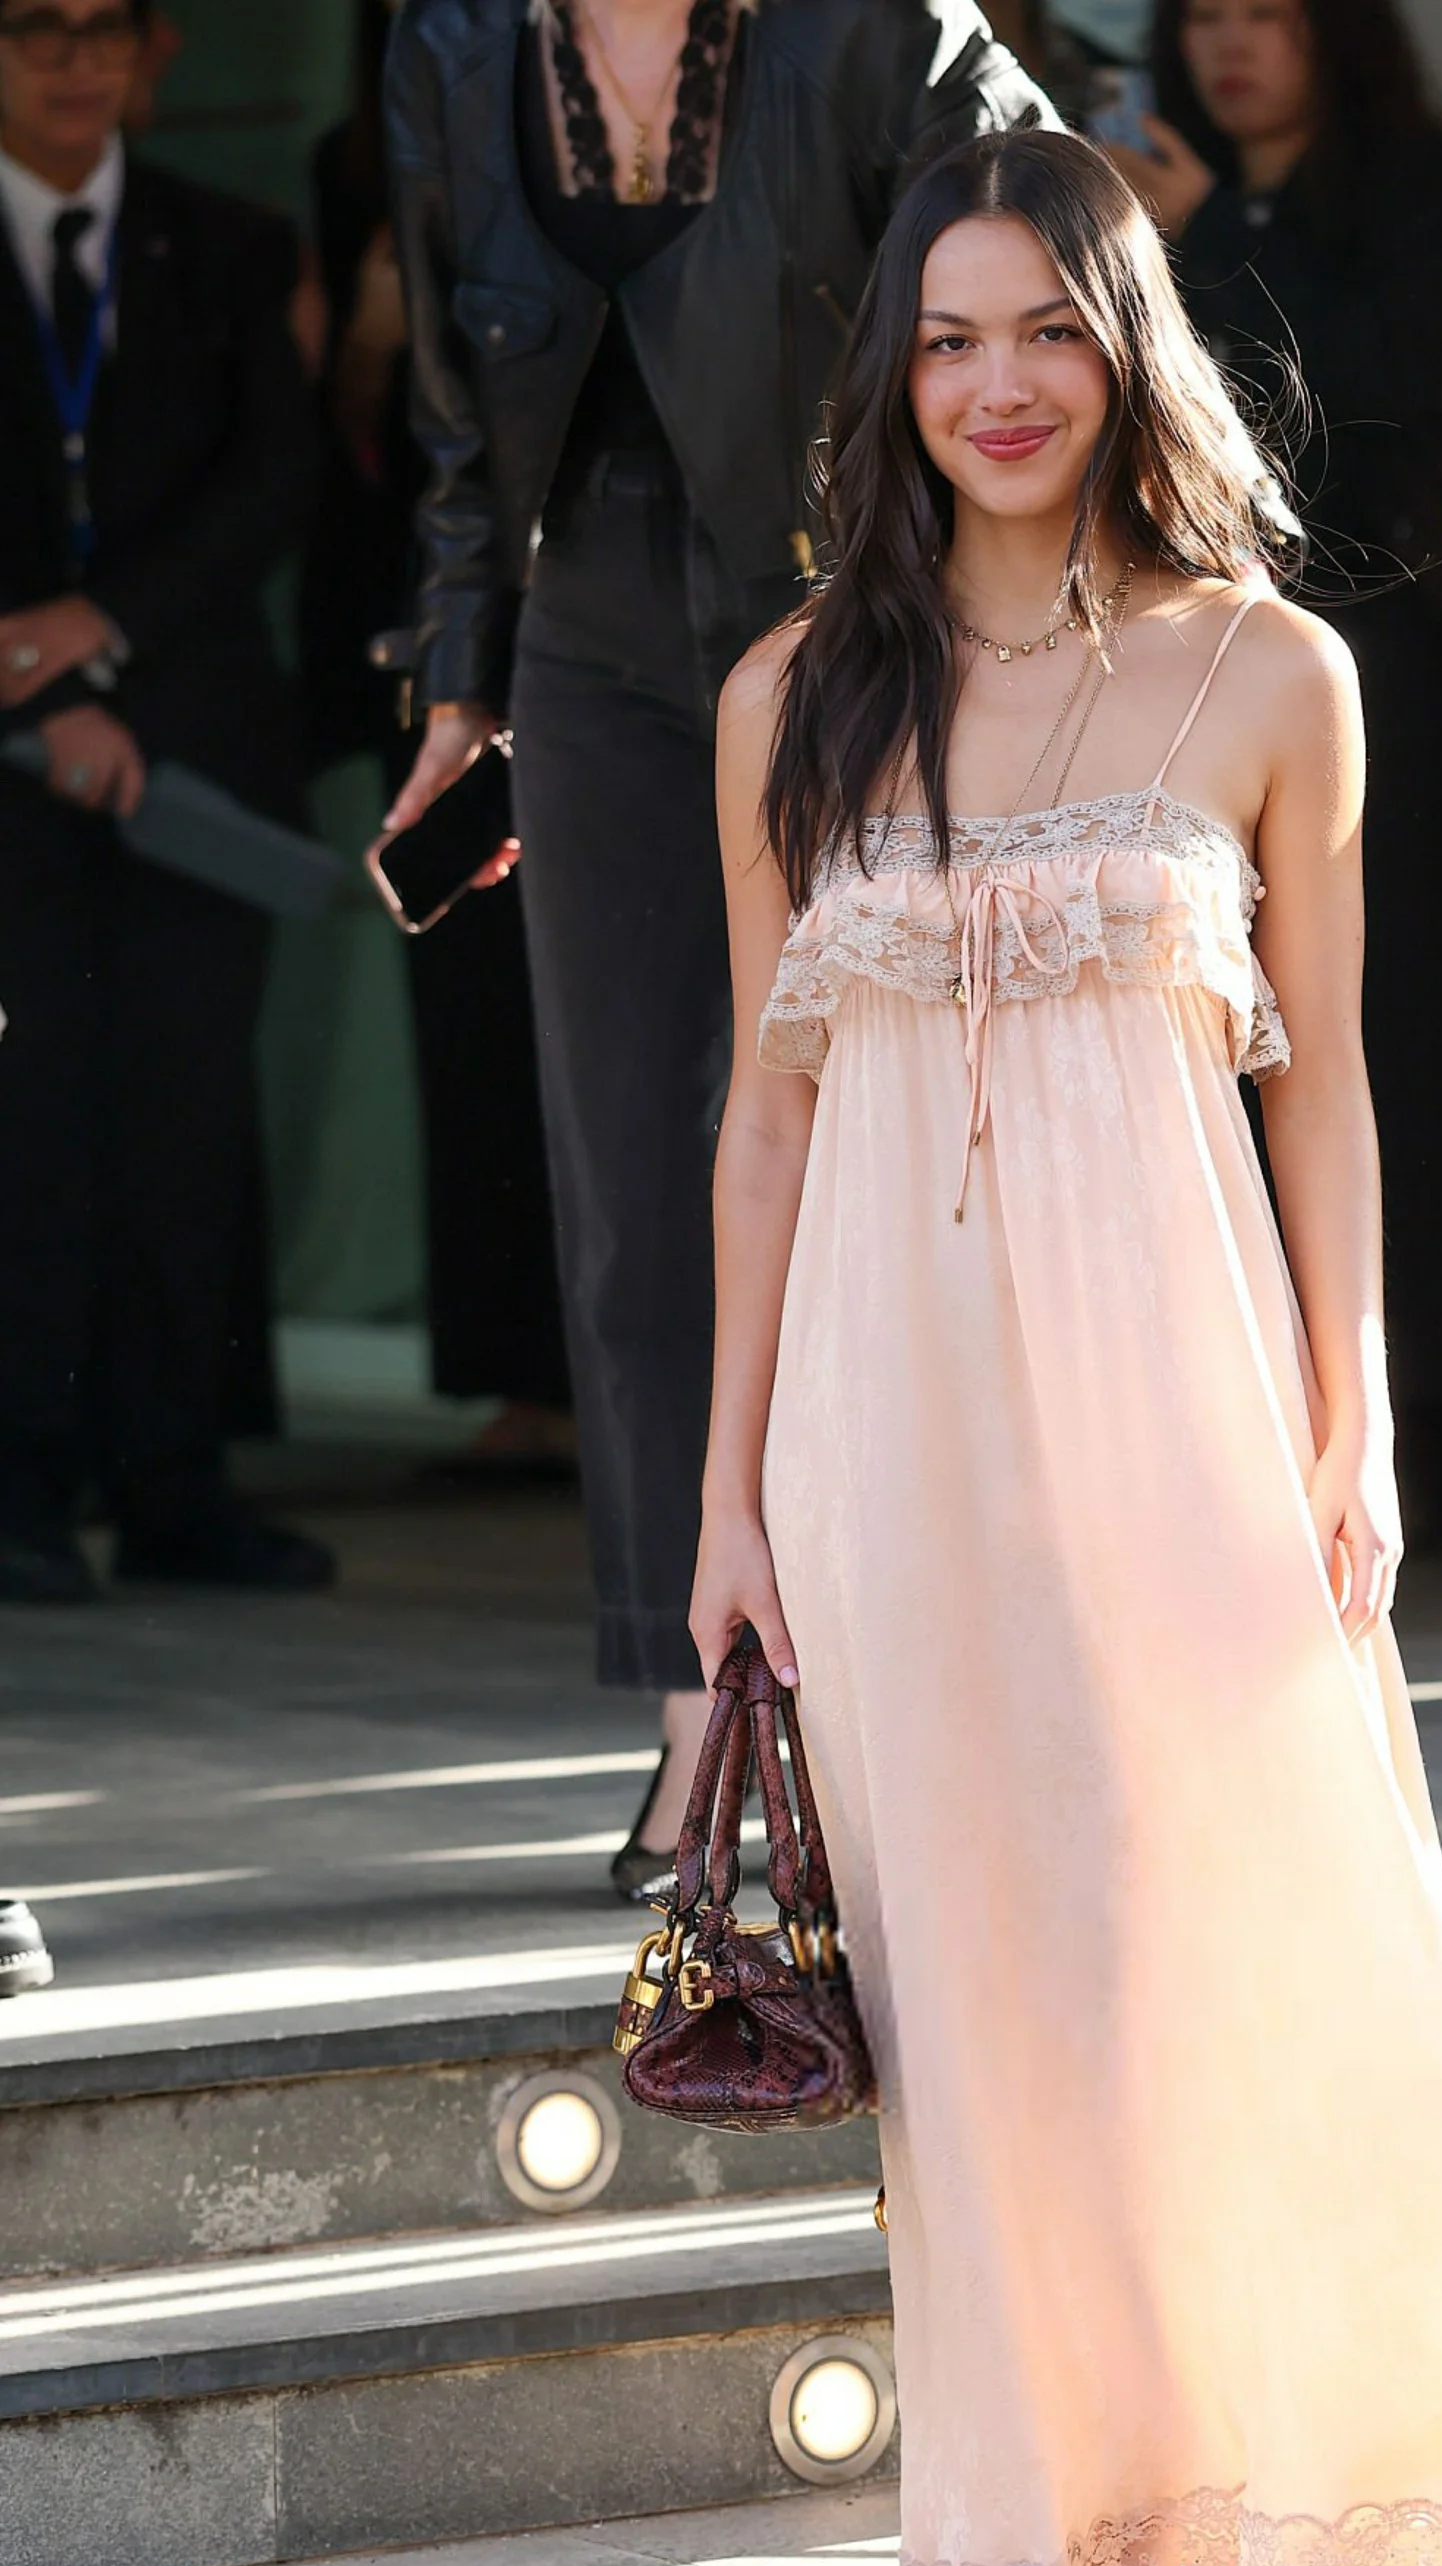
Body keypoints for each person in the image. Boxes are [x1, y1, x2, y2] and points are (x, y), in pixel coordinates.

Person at [698, 126, 1442, 2566]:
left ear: (1126, 344)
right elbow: (765, 1131)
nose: (995, 384)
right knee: (976, 2065)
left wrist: (1350, 1409)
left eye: (1043, 327)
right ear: (890, 383)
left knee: (1153, 2010)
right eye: (943, 341)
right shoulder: (794, 699)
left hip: (1175, 1414)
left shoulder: (1276, 675)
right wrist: (723, 1508)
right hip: (881, 1442)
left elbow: (1338, 1084)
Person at [381, 0, 1052, 1895]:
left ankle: (918, 1680)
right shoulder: (450, 52)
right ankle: (703, 1710)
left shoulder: (874, 30)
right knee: (627, 1181)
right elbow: (452, 403)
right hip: (580, 631)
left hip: (854, 612)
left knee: (892, 1143)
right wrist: (453, 679)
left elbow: (1050, 250)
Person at [1101, 0, 1442, 1550]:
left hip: (1368, 664)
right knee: (1212, 1023)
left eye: (1266, 13)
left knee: (1398, 1035)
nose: (1230, 46)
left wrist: (1218, 229)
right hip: (1183, 672)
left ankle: (1425, 1409)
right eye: (1203, 15)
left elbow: (1364, 390)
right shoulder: (1131, 193)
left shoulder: (1417, 178)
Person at [0, 0, 330, 1601]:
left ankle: (177, 1484)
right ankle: (20, 1491)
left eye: (101, 28)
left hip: (193, 744)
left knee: (188, 1126)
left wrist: (104, 631)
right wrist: (43, 685)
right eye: (30, 28)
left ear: (156, 54)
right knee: (30, 1115)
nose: (70, 59)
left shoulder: (231, 241)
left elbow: (275, 476)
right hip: (5, 754)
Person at [306, 0, 574, 1472]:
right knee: (472, 1022)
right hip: (446, 615)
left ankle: (631, 1381)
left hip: (592, 605)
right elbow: (366, 428)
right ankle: (519, 1383)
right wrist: (368, 330)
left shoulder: (614, 130)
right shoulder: (360, 159)